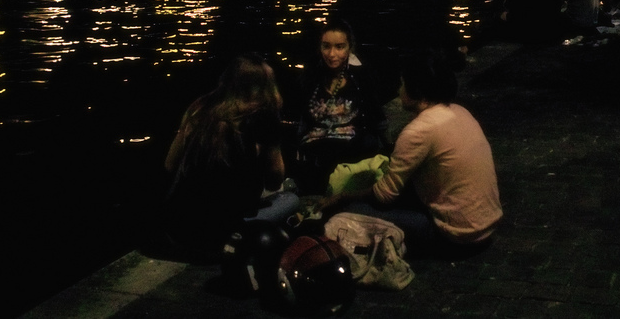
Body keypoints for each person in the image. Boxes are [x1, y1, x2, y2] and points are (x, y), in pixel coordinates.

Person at [318, 51, 502, 257]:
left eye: (403, 84)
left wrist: (343, 197)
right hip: (487, 224)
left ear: (418, 91)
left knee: (346, 213)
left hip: (456, 236)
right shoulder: (460, 112)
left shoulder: (418, 131)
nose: (399, 90)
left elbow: (384, 195)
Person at [163, 53, 300, 255]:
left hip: (177, 229)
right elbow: (274, 179)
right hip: (222, 234)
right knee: (291, 197)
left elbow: (169, 164)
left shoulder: (199, 107)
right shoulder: (263, 118)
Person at [295, 17, 387, 194]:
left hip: (351, 152)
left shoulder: (361, 77)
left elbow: (377, 116)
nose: (331, 54)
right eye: (326, 46)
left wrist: (388, 147)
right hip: (316, 152)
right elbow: (301, 120)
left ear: (349, 48)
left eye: (339, 47)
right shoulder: (310, 77)